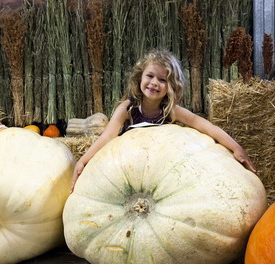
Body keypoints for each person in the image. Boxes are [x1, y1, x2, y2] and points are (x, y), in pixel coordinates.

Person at [71, 49, 256, 192]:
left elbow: (205, 126)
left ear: (172, 86)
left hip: (160, 173)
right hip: (129, 169)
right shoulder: (128, 108)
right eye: (150, 76)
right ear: (140, 77)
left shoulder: (171, 111)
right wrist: (83, 161)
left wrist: (236, 148)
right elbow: (107, 137)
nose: (154, 83)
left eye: (162, 79)